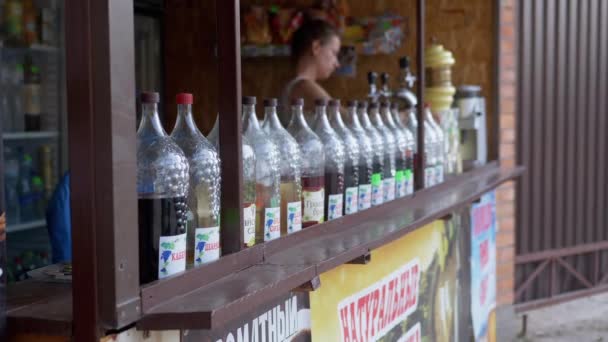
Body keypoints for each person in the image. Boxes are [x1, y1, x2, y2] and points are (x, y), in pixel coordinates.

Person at [280, 18, 341, 126]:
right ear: (316, 47)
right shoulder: (302, 86)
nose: (337, 63)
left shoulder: (298, 85)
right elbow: (346, 119)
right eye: (334, 53)